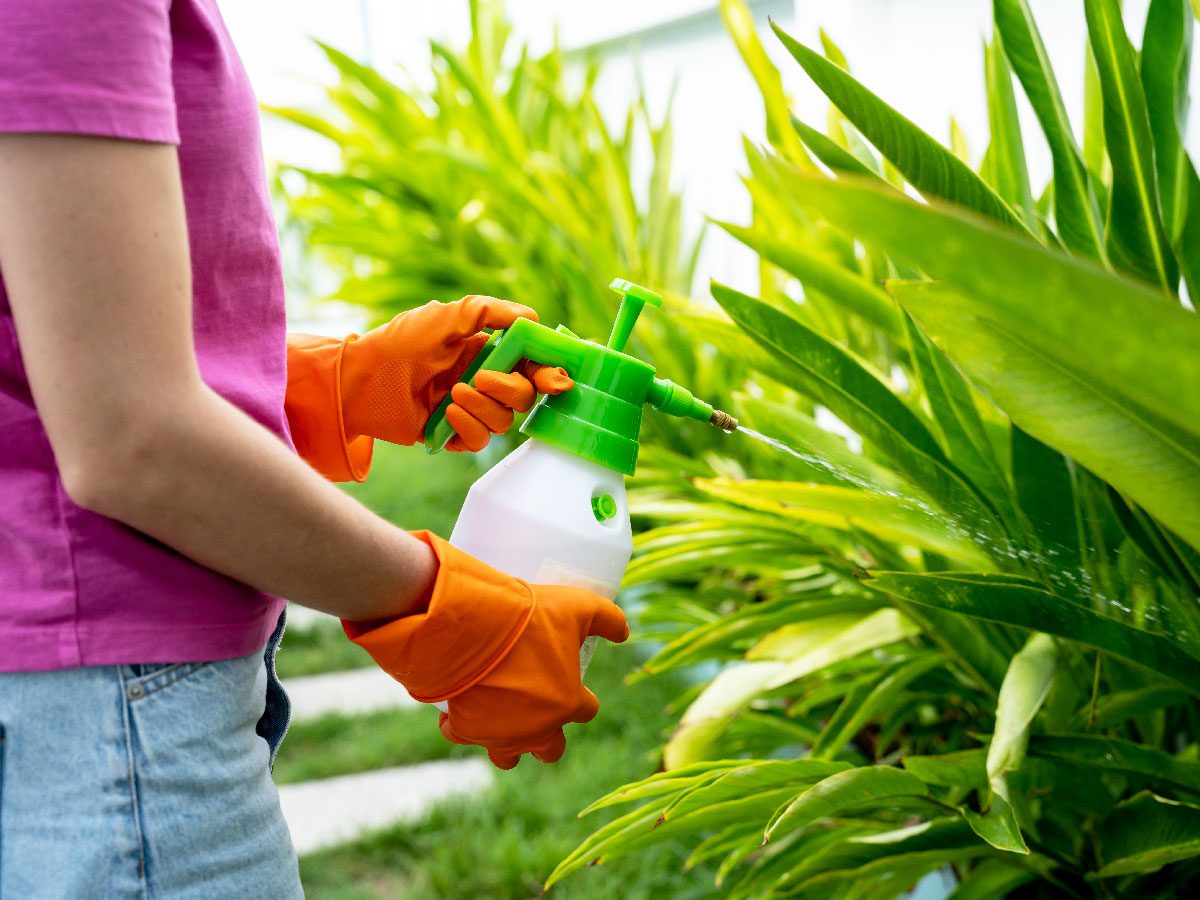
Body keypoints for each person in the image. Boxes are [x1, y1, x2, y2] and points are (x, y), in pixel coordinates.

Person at [0, 1, 628, 896]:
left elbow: (54, 346)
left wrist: (332, 391)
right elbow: (128, 438)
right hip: (109, 725)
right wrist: (448, 615)